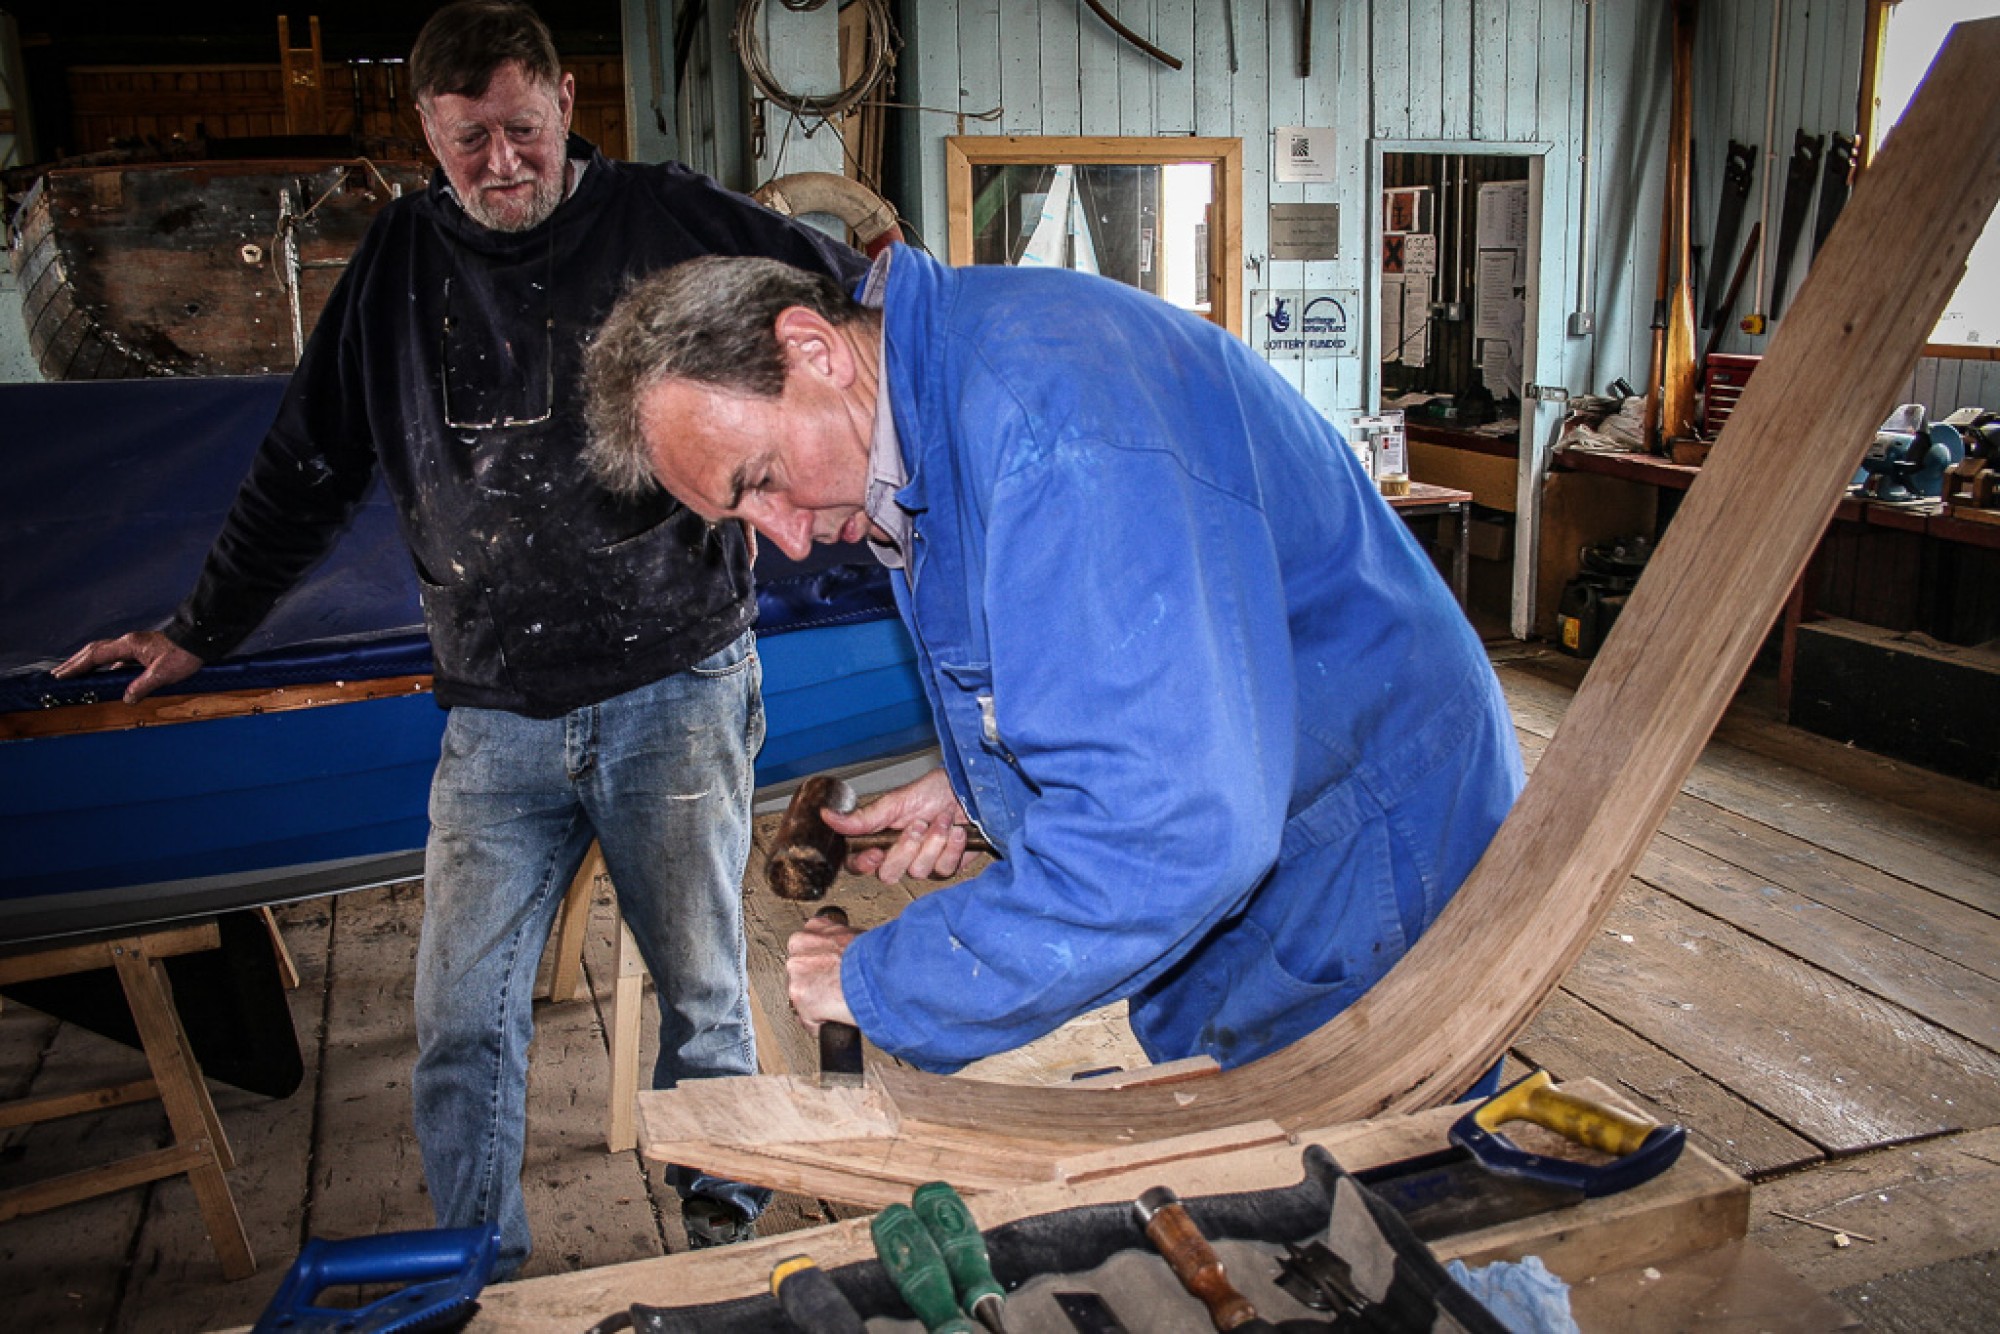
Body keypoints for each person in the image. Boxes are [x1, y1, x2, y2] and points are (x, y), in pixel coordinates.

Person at [53, 1, 868, 1272]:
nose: (500, 162)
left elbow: (856, 300)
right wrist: (198, 632)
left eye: (521, 129)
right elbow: (302, 467)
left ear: (559, 103)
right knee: (457, 1019)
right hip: (492, 712)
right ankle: (470, 1259)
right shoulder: (392, 266)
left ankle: (724, 1220)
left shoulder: (666, 215)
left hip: (675, 686)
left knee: (706, 991)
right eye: (466, 140)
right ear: (425, 135)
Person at [580, 246, 1525, 1081]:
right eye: (741, 519)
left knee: (1378, 1216)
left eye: (762, 483)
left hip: (1368, 857)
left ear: (814, 352)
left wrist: (880, 983)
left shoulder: (1049, 425)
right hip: (1293, 831)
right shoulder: (927, 414)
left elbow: (1173, 829)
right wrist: (978, 789)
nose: (785, 541)